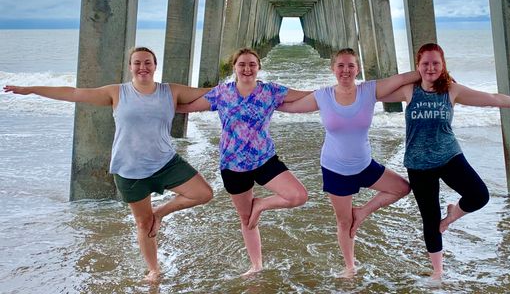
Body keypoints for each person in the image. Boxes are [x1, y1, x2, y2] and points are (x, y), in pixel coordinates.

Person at [3, 46, 214, 284]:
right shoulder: (117, 93)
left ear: (155, 66)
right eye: (137, 63)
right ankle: (154, 270)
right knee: (143, 223)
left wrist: (250, 83)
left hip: (166, 162)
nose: (142, 67)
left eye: (147, 62)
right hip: (129, 169)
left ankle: (161, 213)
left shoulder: (170, 91)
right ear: (130, 67)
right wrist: (31, 89)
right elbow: (73, 93)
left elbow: (212, 92)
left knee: (203, 193)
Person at [380, 42, 510, 281]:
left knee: (479, 195)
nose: (431, 67)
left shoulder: (451, 90)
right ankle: (438, 272)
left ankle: (453, 215)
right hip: (418, 164)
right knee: (430, 220)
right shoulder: (409, 90)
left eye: (436, 63)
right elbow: (375, 93)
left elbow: (494, 99)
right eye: (425, 63)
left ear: (443, 66)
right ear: (417, 66)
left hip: (449, 157)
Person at [277, 48, 420, 276]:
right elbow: (290, 107)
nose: (346, 70)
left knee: (402, 188)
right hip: (335, 169)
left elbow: (403, 79)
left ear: (358, 69)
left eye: (351, 66)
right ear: (333, 69)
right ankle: (350, 267)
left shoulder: (369, 90)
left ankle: (362, 212)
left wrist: (436, 73)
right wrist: (258, 102)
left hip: (364, 164)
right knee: (344, 223)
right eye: (341, 66)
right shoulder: (322, 96)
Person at [177, 47, 310, 276]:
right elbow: (189, 106)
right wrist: (154, 104)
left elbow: (308, 96)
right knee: (246, 219)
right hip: (232, 164)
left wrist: (339, 94)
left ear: (258, 67)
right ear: (234, 67)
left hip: (264, 159)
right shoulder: (222, 93)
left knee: (298, 196)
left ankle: (260, 205)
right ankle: (256, 265)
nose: (247, 69)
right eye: (242, 64)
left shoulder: (271, 91)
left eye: (252, 64)